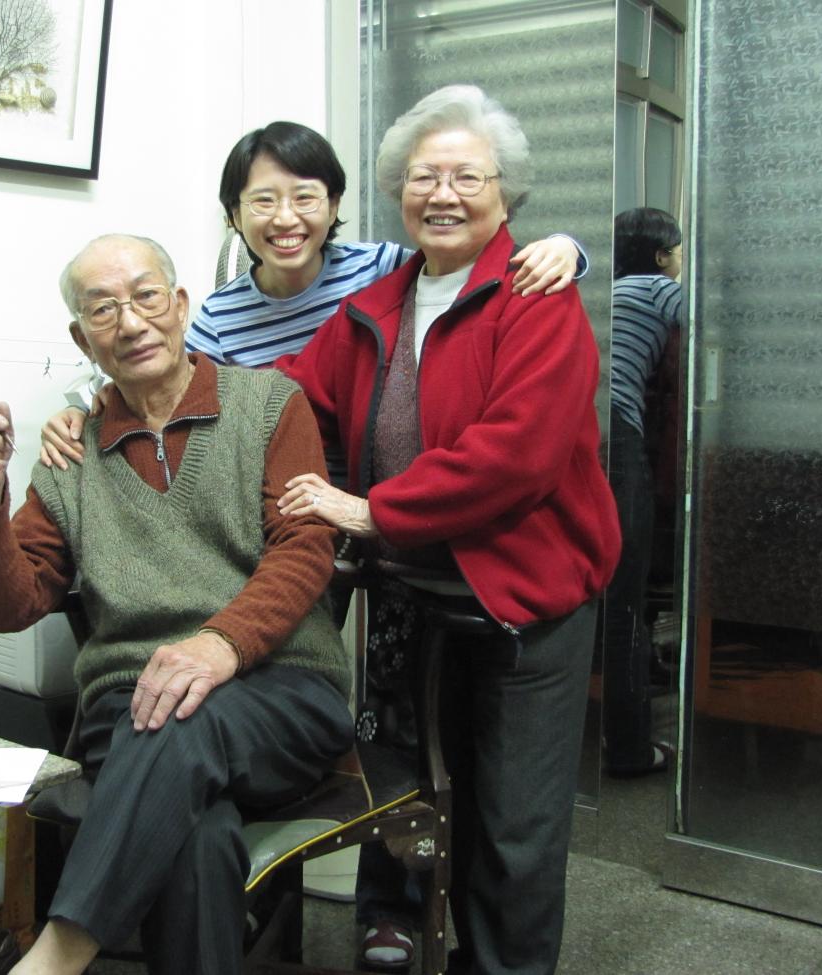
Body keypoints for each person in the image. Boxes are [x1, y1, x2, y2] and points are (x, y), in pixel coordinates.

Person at [272, 85, 621, 975]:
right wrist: (124, 393)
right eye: (425, 176)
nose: (445, 193)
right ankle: (404, 940)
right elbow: (285, 394)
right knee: (407, 793)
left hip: (521, 597)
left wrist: (371, 509)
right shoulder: (380, 299)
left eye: (468, 176)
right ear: (398, 192)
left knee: (514, 821)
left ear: (506, 193)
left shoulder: (536, 296)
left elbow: (517, 455)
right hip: (408, 591)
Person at [0, 233, 354, 975]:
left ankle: (54, 958)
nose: (129, 322)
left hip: (281, 692)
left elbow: (306, 546)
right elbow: (12, 605)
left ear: (178, 305)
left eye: (143, 297)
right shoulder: (72, 455)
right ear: (82, 337)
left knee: (181, 708)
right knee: (196, 836)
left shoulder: (269, 404)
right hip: (132, 708)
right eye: (102, 309)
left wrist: (220, 644)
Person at [37, 120, 587, 472]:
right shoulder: (218, 317)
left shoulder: (383, 273)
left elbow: (466, 270)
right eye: (262, 202)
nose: (286, 219)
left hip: (370, 498)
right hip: (274, 495)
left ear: (333, 203)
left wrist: (566, 248)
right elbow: (159, 385)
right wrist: (82, 412)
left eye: (305, 197)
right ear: (233, 215)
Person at [602, 206, 684, 778]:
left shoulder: (604, 291)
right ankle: (630, 748)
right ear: (661, 256)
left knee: (604, 595)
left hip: (580, 432)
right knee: (626, 599)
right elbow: (714, 327)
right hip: (619, 436)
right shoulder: (658, 289)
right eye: (677, 251)